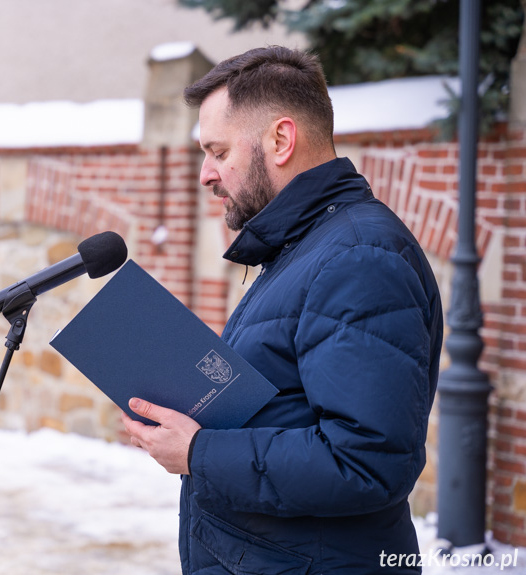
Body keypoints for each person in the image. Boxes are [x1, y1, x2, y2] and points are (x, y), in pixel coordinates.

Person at [122, 46, 444, 574]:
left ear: (280, 139)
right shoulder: (304, 249)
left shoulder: (359, 258)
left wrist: (199, 454)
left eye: (218, 151)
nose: (206, 174)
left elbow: (365, 462)